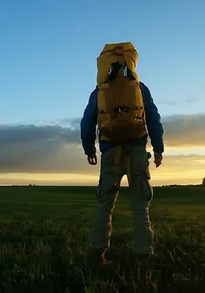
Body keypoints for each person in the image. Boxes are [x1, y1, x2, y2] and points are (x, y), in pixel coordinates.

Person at [80, 42, 164, 271]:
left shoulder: (99, 91)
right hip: (137, 151)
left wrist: (89, 150)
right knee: (140, 206)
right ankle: (142, 259)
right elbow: (153, 119)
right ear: (131, 62)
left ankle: (97, 257)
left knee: (105, 206)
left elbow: (87, 122)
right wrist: (158, 148)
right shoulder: (140, 88)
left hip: (109, 151)